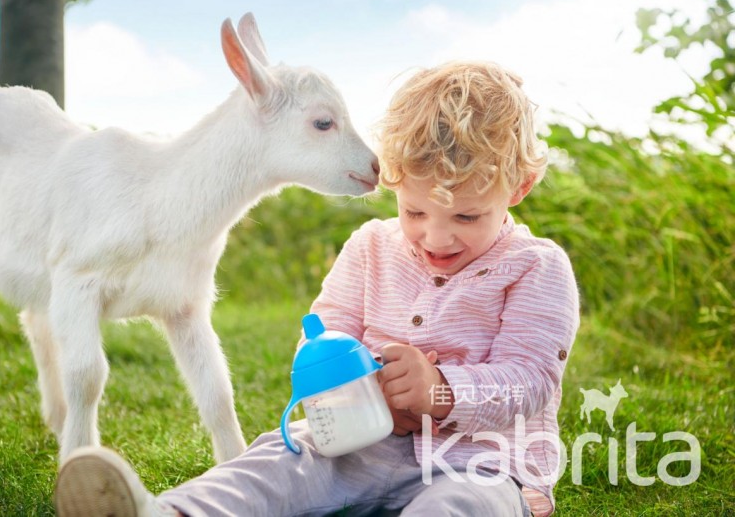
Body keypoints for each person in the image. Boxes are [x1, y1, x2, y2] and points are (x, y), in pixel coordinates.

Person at [54, 61, 580, 517]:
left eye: (466, 215)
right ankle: (172, 511)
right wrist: (343, 381)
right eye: (415, 211)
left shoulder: (536, 268)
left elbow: (528, 382)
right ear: (393, 180)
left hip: (478, 463)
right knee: (276, 461)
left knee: (465, 507)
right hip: (358, 445)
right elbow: (324, 331)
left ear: (519, 187)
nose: (436, 236)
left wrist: (440, 391)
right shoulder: (371, 247)